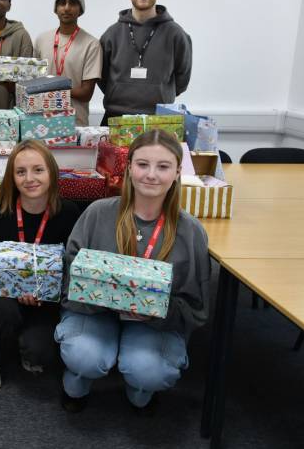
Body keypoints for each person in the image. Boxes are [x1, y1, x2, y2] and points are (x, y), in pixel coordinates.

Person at [55, 129, 210, 413]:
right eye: (142, 164)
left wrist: (157, 312)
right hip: (94, 313)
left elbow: (195, 306)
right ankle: (77, 382)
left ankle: (140, 386)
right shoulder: (97, 213)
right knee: (85, 356)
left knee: (149, 370)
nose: (151, 174)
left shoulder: (190, 232)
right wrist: (96, 296)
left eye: (163, 166)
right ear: (129, 168)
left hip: (153, 324)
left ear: (177, 172)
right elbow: (68, 278)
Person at [0, 139, 81, 390]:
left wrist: (47, 296)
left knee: (40, 352)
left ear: (52, 172)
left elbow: (70, 272)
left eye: (38, 170)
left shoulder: (68, 213)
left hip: (43, 304)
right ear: (12, 177)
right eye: (20, 172)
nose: (30, 178)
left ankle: (25, 347)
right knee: (3, 310)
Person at [98, 0, 192, 124]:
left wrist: (160, 92)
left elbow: (182, 81)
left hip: (160, 120)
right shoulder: (111, 34)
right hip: (115, 118)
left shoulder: (176, 34)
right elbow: (102, 77)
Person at [33, 0, 102, 126]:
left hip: (75, 123)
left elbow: (86, 93)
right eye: (62, 2)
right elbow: (33, 82)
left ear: (80, 9)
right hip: (41, 121)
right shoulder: (41, 40)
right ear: (56, 9)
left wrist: (49, 87)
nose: (67, 7)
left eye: (73, 3)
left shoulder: (91, 44)